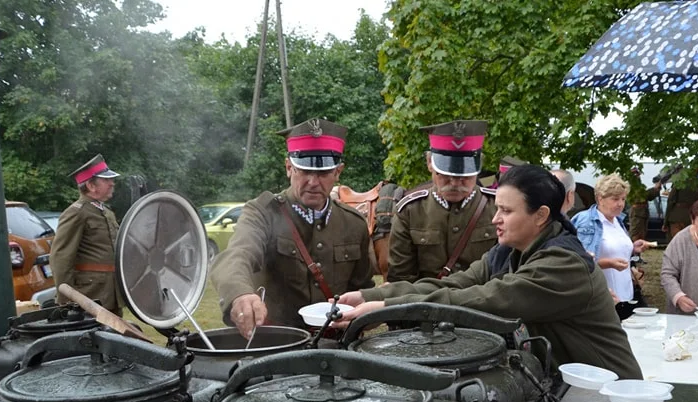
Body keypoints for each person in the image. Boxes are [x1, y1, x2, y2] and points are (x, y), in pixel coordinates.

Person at [335, 165, 643, 380]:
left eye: (507, 211)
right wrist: (369, 295)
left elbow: (481, 299)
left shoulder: (564, 266)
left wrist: (387, 308)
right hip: (569, 386)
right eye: (497, 209)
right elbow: (453, 284)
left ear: (541, 216)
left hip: (610, 393)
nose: (495, 219)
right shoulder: (509, 252)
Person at [210, 118, 373, 334]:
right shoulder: (262, 213)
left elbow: (362, 289)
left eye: (323, 173)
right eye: (304, 171)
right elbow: (237, 255)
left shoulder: (354, 224)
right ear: (289, 168)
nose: (313, 182)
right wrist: (240, 293)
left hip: (337, 350)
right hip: (278, 347)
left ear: (338, 172)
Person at [386, 120, 498, 282]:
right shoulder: (410, 211)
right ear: (430, 163)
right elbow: (401, 279)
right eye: (445, 174)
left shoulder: (497, 207)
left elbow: (505, 272)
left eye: (463, 175)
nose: (454, 182)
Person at [50, 154, 123, 315]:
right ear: (91, 185)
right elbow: (61, 257)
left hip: (110, 294)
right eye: (106, 180)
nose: (112, 183)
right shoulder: (77, 213)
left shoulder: (107, 212)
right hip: (89, 295)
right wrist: (67, 300)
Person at [571, 174, 650, 319]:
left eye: (623, 199)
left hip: (627, 295)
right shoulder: (586, 221)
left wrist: (633, 248)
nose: (620, 204)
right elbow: (577, 263)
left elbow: (615, 249)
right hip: (602, 298)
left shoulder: (618, 221)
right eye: (615, 199)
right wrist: (608, 264)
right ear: (600, 198)